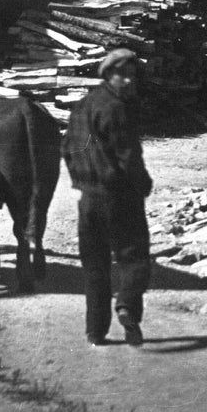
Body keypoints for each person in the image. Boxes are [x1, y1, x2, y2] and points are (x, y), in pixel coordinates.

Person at [62, 48, 153, 347]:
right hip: (120, 195)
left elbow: (69, 149)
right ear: (107, 75)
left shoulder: (82, 106)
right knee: (134, 256)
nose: (128, 81)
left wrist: (81, 178)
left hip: (89, 199)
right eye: (122, 75)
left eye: (132, 75)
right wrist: (142, 183)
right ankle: (127, 306)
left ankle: (95, 331)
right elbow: (128, 154)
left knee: (95, 265)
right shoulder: (117, 108)